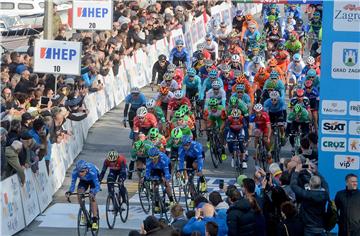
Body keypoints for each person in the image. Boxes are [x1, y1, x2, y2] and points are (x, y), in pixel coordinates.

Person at [290, 164, 330, 236]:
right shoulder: (325, 195)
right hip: (321, 227)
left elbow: (293, 185)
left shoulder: (306, 194)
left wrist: (296, 172)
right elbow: (325, 183)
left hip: (308, 228)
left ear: (310, 184)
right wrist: (316, 172)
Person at [66, 160, 101, 230]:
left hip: (93, 180)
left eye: (82, 171)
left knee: (92, 197)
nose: (80, 173)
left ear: (86, 170)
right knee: (79, 194)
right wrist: (69, 191)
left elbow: (97, 186)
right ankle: (84, 214)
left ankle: (95, 220)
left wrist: (93, 192)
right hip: (83, 181)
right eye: (79, 171)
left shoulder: (92, 172)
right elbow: (73, 184)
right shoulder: (75, 172)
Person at [178, 135, 206, 207]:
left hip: (198, 157)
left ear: (190, 143)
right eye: (184, 145)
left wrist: (199, 169)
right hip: (190, 158)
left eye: (187, 145)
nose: (185, 147)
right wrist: (180, 171)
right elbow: (181, 160)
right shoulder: (181, 148)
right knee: (190, 180)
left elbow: (200, 160)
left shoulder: (196, 146)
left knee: (195, 165)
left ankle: (203, 181)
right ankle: (193, 199)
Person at [144, 147, 175, 211]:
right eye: (151, 158)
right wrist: (146, 178)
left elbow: (167, 172)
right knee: (155, 184)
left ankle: (171, 201)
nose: (153, 160)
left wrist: (166, 178)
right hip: (155, 169)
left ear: (158, 156)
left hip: (164, 167)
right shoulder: (148, 160)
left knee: (165, 182)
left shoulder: (163, 159)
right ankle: (157, 204)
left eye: (155, 158)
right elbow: (147, 172)